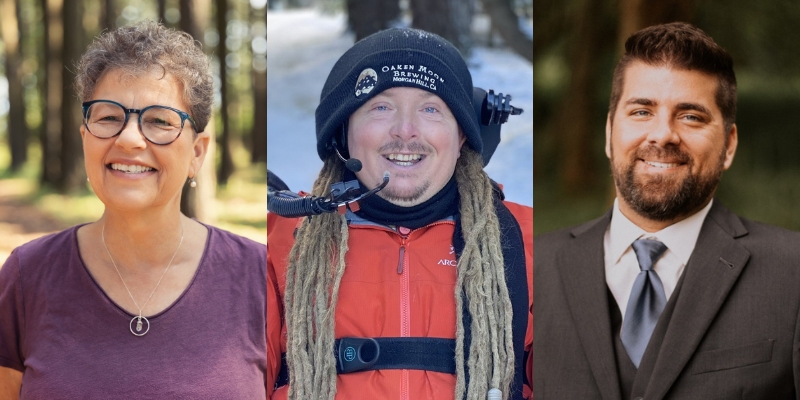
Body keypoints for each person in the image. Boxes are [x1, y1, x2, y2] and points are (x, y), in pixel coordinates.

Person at [0, 21, 266, 398]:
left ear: (197, 152)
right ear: (85, 138)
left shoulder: (261, 278)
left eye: (159, 121)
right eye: (108, 117)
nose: (128, 139)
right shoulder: (26, 278)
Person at [534, 22, 800, 399]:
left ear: (729, 145)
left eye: (691, 116)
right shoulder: (531, 267)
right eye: (642, 111)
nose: (663, 134)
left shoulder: (794, 273)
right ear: (610, 132)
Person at [267, 28, 533, 400]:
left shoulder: (526, 242)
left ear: (461, 137)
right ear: (343, 133)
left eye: (430, 109)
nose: (405, 131)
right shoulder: (279, 243)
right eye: (381, 106)